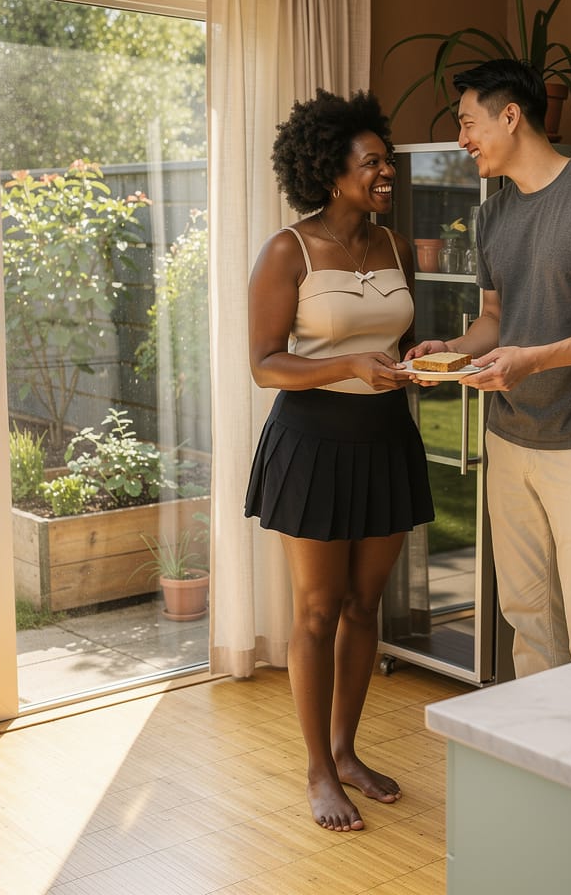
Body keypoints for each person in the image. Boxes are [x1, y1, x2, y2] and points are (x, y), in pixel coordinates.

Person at [405, 59, 571, 679]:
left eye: (468, 123)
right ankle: (538, 762)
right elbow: (496, 319)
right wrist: (453, 347)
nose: (463, 139)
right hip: (511, 437)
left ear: (511, 115)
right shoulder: (493, 216)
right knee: (526, 613)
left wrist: (536, 358)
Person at [244, 89, 433, 832]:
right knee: (318, 610)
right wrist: (348, 364)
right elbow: (265, 364)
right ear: (331, 172)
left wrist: (416, 359)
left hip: (387, 437)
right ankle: (318, 772)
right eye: (373, 163)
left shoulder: (388, 243)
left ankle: (347, 750)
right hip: (312, 443)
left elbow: (388, 333)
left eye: (385, 161)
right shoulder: (287, 251)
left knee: (365, 606)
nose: (387, 172)